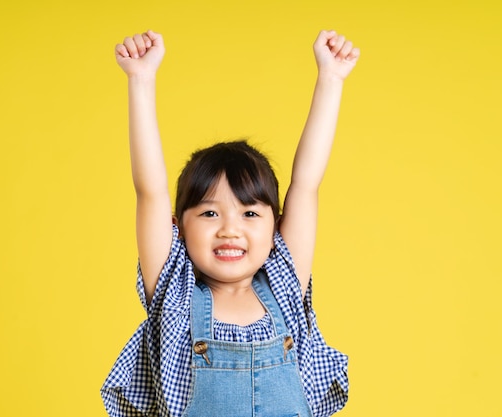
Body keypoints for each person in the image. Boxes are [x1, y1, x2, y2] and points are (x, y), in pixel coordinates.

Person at [102, 28, 359, 417]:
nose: (229, 228)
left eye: (250, 213)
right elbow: (149, 190)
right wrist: (141, 79)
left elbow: (306, 184)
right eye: (208, 213)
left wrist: (331, 79)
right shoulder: (175, 294)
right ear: (178, 228)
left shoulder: (285, 282)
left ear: (276, 230)